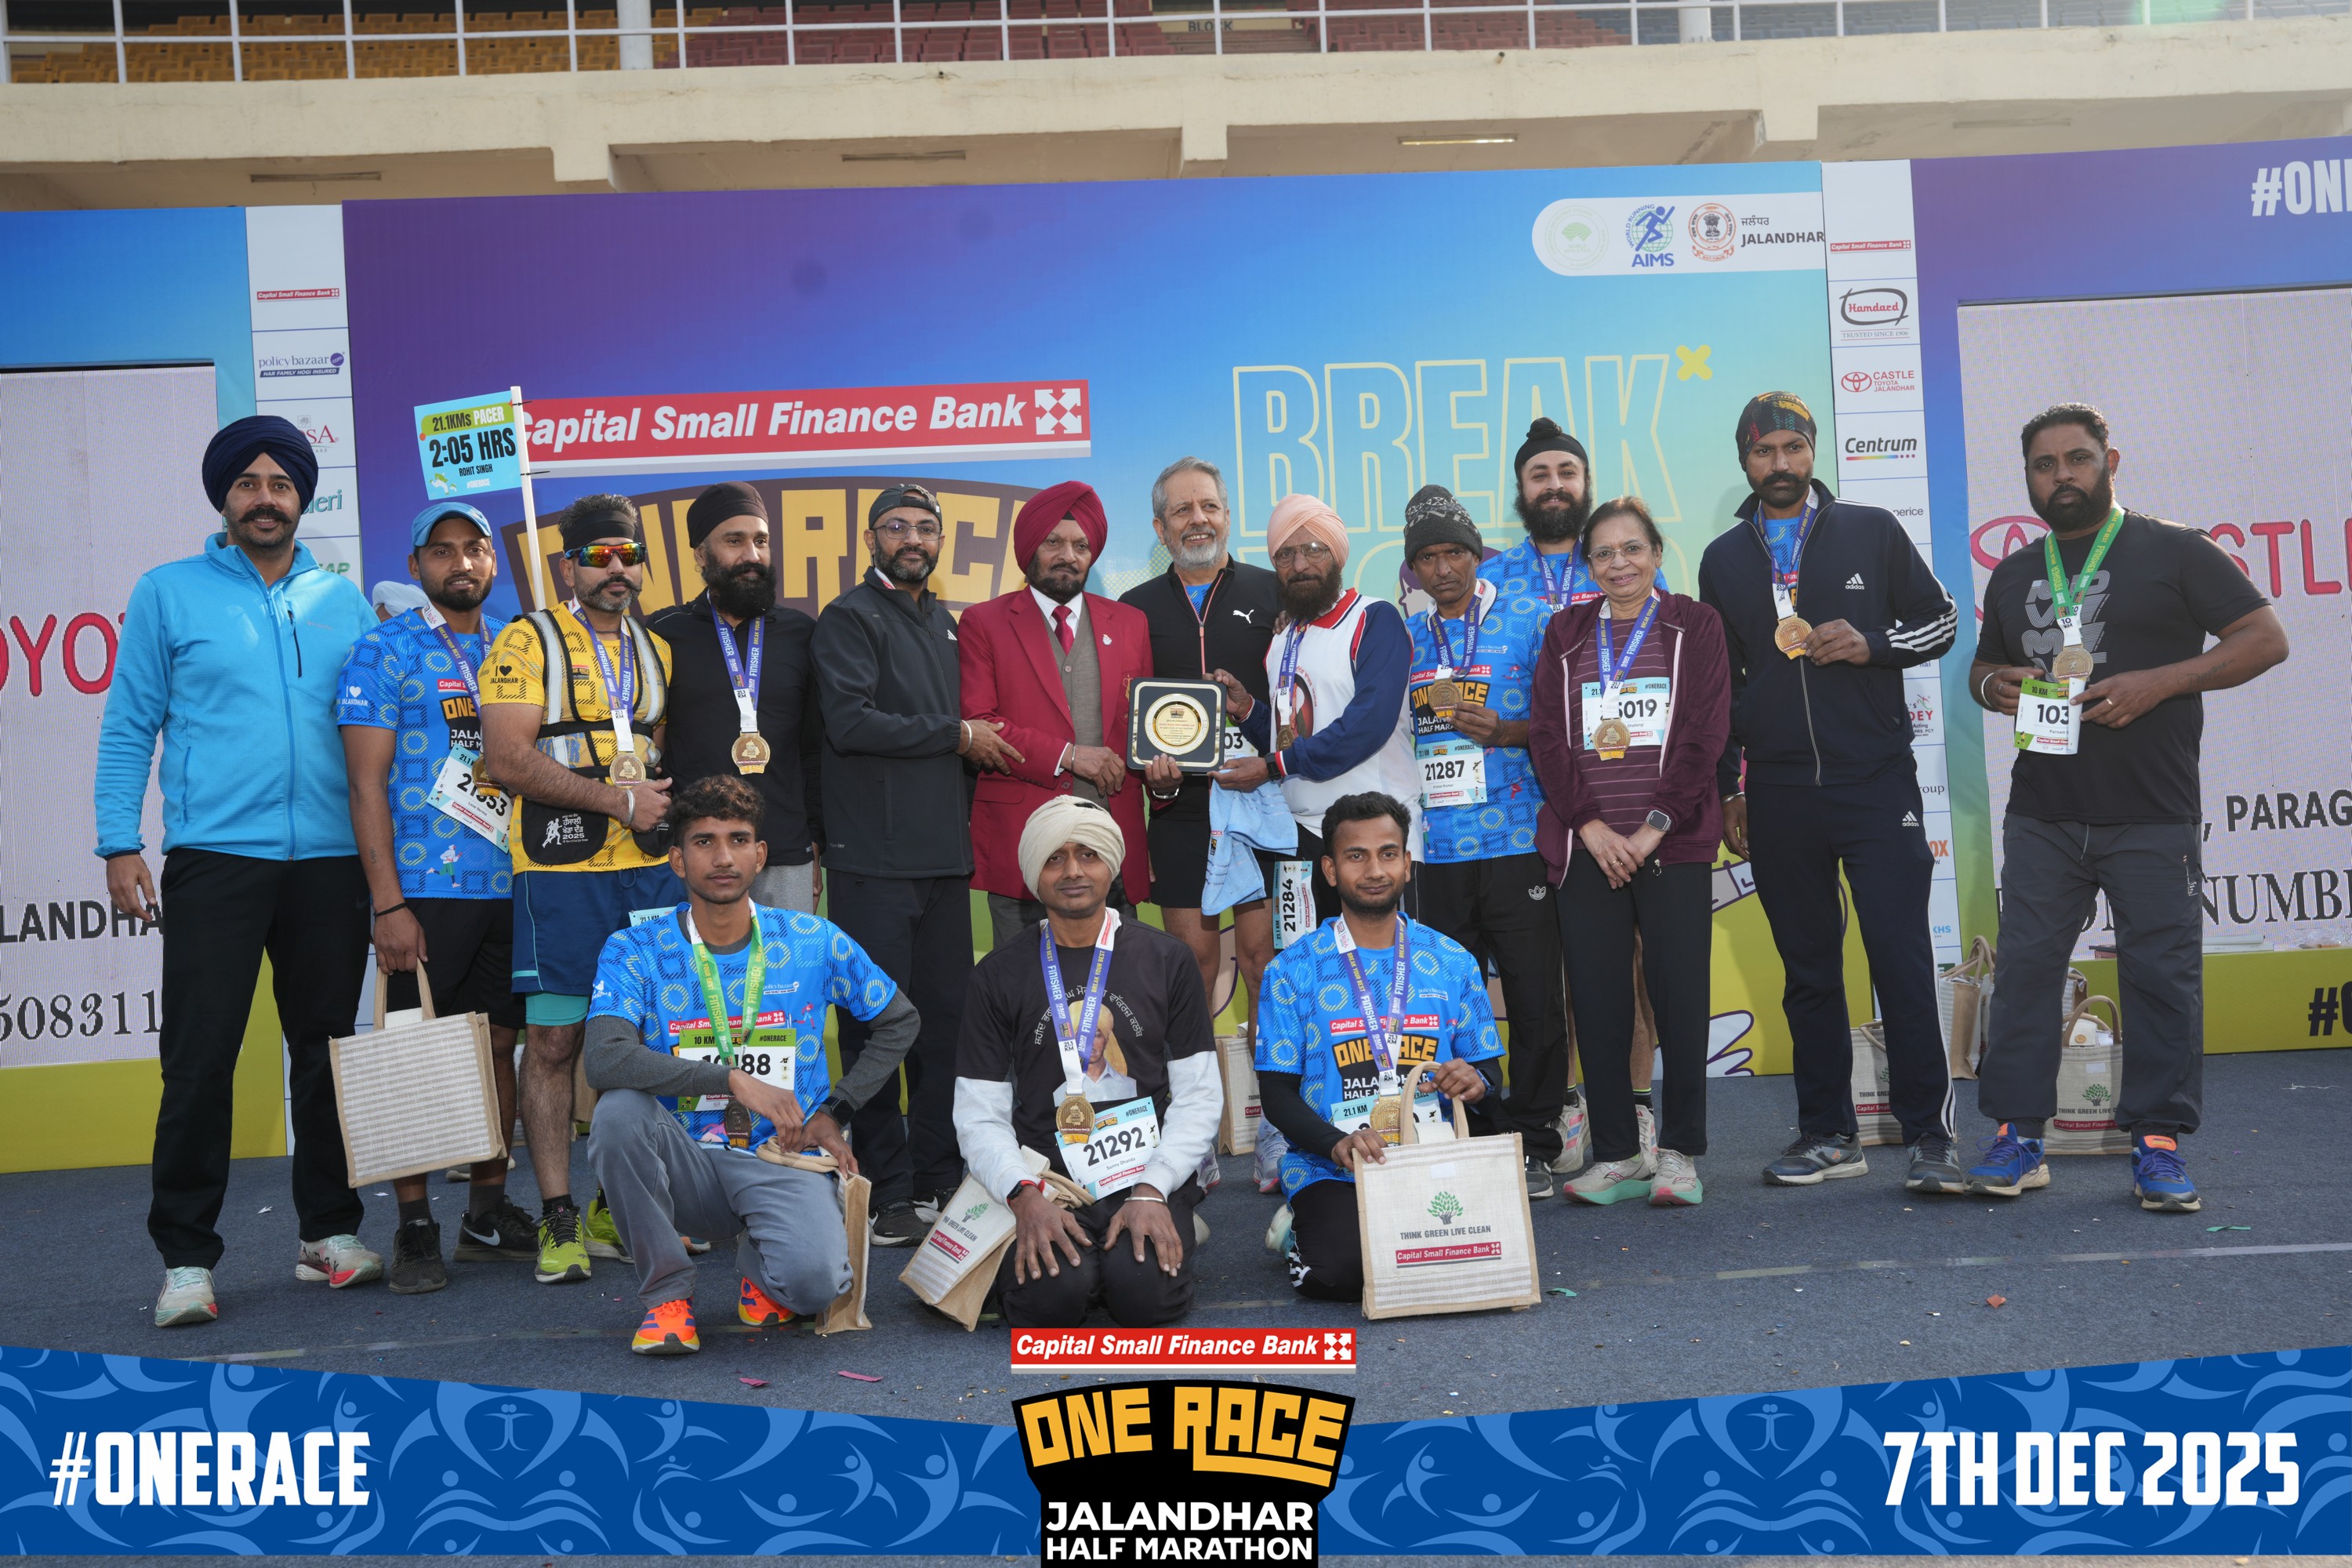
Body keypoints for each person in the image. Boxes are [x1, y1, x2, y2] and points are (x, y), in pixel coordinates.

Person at [96, 415, 380, 1328]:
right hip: (215, 858)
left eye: (281, 483)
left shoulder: (343, 602)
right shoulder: (168, 592)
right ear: (224, 496)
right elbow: (129, 722)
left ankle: (328, 1230)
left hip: (330, 862)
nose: (265, 498)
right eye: (248, 483)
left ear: (302, 497)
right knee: (199, 1059)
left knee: (326, 1053)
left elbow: (378, 739)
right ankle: (186, 1257)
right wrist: (118, 840)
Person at [1965, 405, 2285, 1213]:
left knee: (2161, 979)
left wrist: (2160, 682)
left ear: (2110, 462)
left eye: (2077, 459)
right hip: (2043, 811)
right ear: (2028, 477)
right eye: (2044, 465)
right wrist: (1992, 684)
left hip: (2152, 810)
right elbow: (1984, 667)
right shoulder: (2015, 570)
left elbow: (2264, 639)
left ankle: (2158, 1144)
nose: (2061, 476)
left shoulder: (2175, 550)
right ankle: (2018, 1135)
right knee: (2027, 974)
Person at [1697, 392, 1963, 1193]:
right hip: (1779, 790)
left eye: (1792, 447)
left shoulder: (1870, 530)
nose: (1779, 463)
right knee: (1808, 970)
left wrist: (1873, 643)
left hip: (1875, 782)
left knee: (1900, 959)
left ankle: (1931, 1136)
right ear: (1743, 460)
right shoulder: (1723, 559)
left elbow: (1942, 622)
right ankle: (1828, 1133)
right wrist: (1729, 787)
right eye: (1763, 451)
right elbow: (1720, 685)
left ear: (1812, 451)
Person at [584, 775, 919, 1354]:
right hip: (684, 1159)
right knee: (617, 1114)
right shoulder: (635, 949)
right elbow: (604, 1058)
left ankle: (761, 1262)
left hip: (781, 1152)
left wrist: (836, 1110)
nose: (723, 858)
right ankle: (667, 1297)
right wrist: (732, 1078)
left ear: (760, 855)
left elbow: (899, 1021)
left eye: (738, 840)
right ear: (678, 860)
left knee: (816, 1286)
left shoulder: (813, 940)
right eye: (704, 842)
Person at [481, 492, 681, 1285]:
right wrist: (615, 801)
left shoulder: (656, 649)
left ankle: (610, 1204)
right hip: (561, 871)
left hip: (646, 872)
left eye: (630, 555)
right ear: (570, 567)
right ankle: (557, 1214)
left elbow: (654, 755)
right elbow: (507, 758)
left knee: (644, 1043)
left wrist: (650, 812)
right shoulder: (526, 639)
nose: (617, 568)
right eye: (599, 556)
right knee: (555, 1043)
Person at [813, 483, 1019, 1245]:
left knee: (945, 1026)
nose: (912, 538)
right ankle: (886, 1186)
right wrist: (958, 734)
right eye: (896, 526)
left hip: (943, 860)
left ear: (940, 541)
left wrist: (967, 740)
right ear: (870, 538)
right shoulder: (847, 617)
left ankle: (938, 1173)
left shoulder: (945, 622)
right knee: (876, 1025)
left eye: (926, 528)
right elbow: (851, 722)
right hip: (871, 860)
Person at [338, 501, 535, 1292]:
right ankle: (415, 1222)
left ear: (492, 561)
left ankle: (486, 1210)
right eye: (443, 550)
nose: (462, 563)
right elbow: (364, 785)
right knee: (414, 1050)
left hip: (515, 881)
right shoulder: (383, 649)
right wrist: (388, 903)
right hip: (424, 886)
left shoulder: (519, 644)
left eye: (475, 549)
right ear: (416, 565)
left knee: (499, 1045)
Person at [1530, 497, 1730, 1207]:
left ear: (1657, 553)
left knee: (1680, 999)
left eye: (1633, 549)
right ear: (1588, 565)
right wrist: (1589, 827)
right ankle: (1618, 1153)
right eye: (1604, 553)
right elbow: (1547, 737)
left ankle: (1679, 1154)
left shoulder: (1695, 625)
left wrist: (1653, 829)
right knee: (1599, 1001)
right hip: (1589, 847)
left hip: (1670, 843)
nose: (1620, 564)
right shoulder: (1565, 632)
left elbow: (1706, 732)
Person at [955, 797, 1221, 1327]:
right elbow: (978, 1112)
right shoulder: (998, 974)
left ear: (1111, 865)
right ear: (1034, 873)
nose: (1073, 871)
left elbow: (1199, 1094)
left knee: (1145, 1299)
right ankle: (1095, 1259)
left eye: (1088, 855)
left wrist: (1155, 1188)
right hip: (1048, 1182)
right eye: (1055, 858)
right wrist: (1022, 1196)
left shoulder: (1167, 959)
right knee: (1048, 1305)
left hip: (1144, 1171)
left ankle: (1163, 1223)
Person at [1253, 792, 1505, 1301]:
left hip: (1436, 1157)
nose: (1374, 870)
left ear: (1407, 864)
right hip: (1333, 1165)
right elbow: (1277, 1095)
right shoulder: (1291, 970)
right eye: (1356, 856)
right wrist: (1335, 1143)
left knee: (1471, 1265)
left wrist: (1476, 1083)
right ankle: (1298, 1230)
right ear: (1330, 869)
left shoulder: (1453, 960)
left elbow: (1491, 1078)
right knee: (1339, 1275)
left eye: (1387, 854)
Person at [1401, 484, 1568, 1200]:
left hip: (1517, 840)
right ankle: (1474, 1135)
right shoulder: (1406, 638)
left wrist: (1506, 731)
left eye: (1455, 553)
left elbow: (1564, 720)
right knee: (1449, 1007)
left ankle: (1535, 1141)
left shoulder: (1530, 618)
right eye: (1428, 558)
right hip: (1436, 852)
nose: (1443, 569)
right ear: (1413, 568)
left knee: (1533, 999)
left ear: (1478, 555)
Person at [1118, 457, 1283, 1016]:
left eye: (1209, 506)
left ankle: (1270, 1079)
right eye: (1182, 510)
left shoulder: (1275, 592)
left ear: (1228, 517)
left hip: (1263, 801)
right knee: (1191, 973)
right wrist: (1155, 784)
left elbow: (1299, 700)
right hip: (1180, 811)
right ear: (1160, 529)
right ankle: (1196, 1082)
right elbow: (1125, 719)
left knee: (1266, 966)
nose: (1198, 519)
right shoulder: (1134, 609)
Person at [958, 481, 1154, 946]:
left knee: (1119, 980)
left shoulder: (1130, 623)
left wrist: (1163, 781)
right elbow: (981, 725)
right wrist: (1069, 755)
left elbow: (1143, 730)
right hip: (1024, 845)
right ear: (1029, 550)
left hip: (1110, 844)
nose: (1068, 555)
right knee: (1025, 982)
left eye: (1081, 546)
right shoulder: (983, 622)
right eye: (1054, 542)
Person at [1217, 495, 1419, 927]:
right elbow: (1290, 737)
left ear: (1337, 555)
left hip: (1376, 834)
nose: (1300, 565)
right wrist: (1248, 710)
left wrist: (1272, 767)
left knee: (1385, 962)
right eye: (1285, 554)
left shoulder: (1374, 619)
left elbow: (1367, 725)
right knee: (1309, 964)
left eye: (1313, 549)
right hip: (1300, 838)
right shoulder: (1282, 638)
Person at [648, 481, 824, 913]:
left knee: (787, 959)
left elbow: (815, 751)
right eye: (734, 541)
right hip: (693, 854)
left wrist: (816, 842)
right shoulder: (661, 634)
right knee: (695, 959)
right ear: (700, 554)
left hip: (785, 851)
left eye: (761, 541)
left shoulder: (803, 633)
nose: (753, 555)